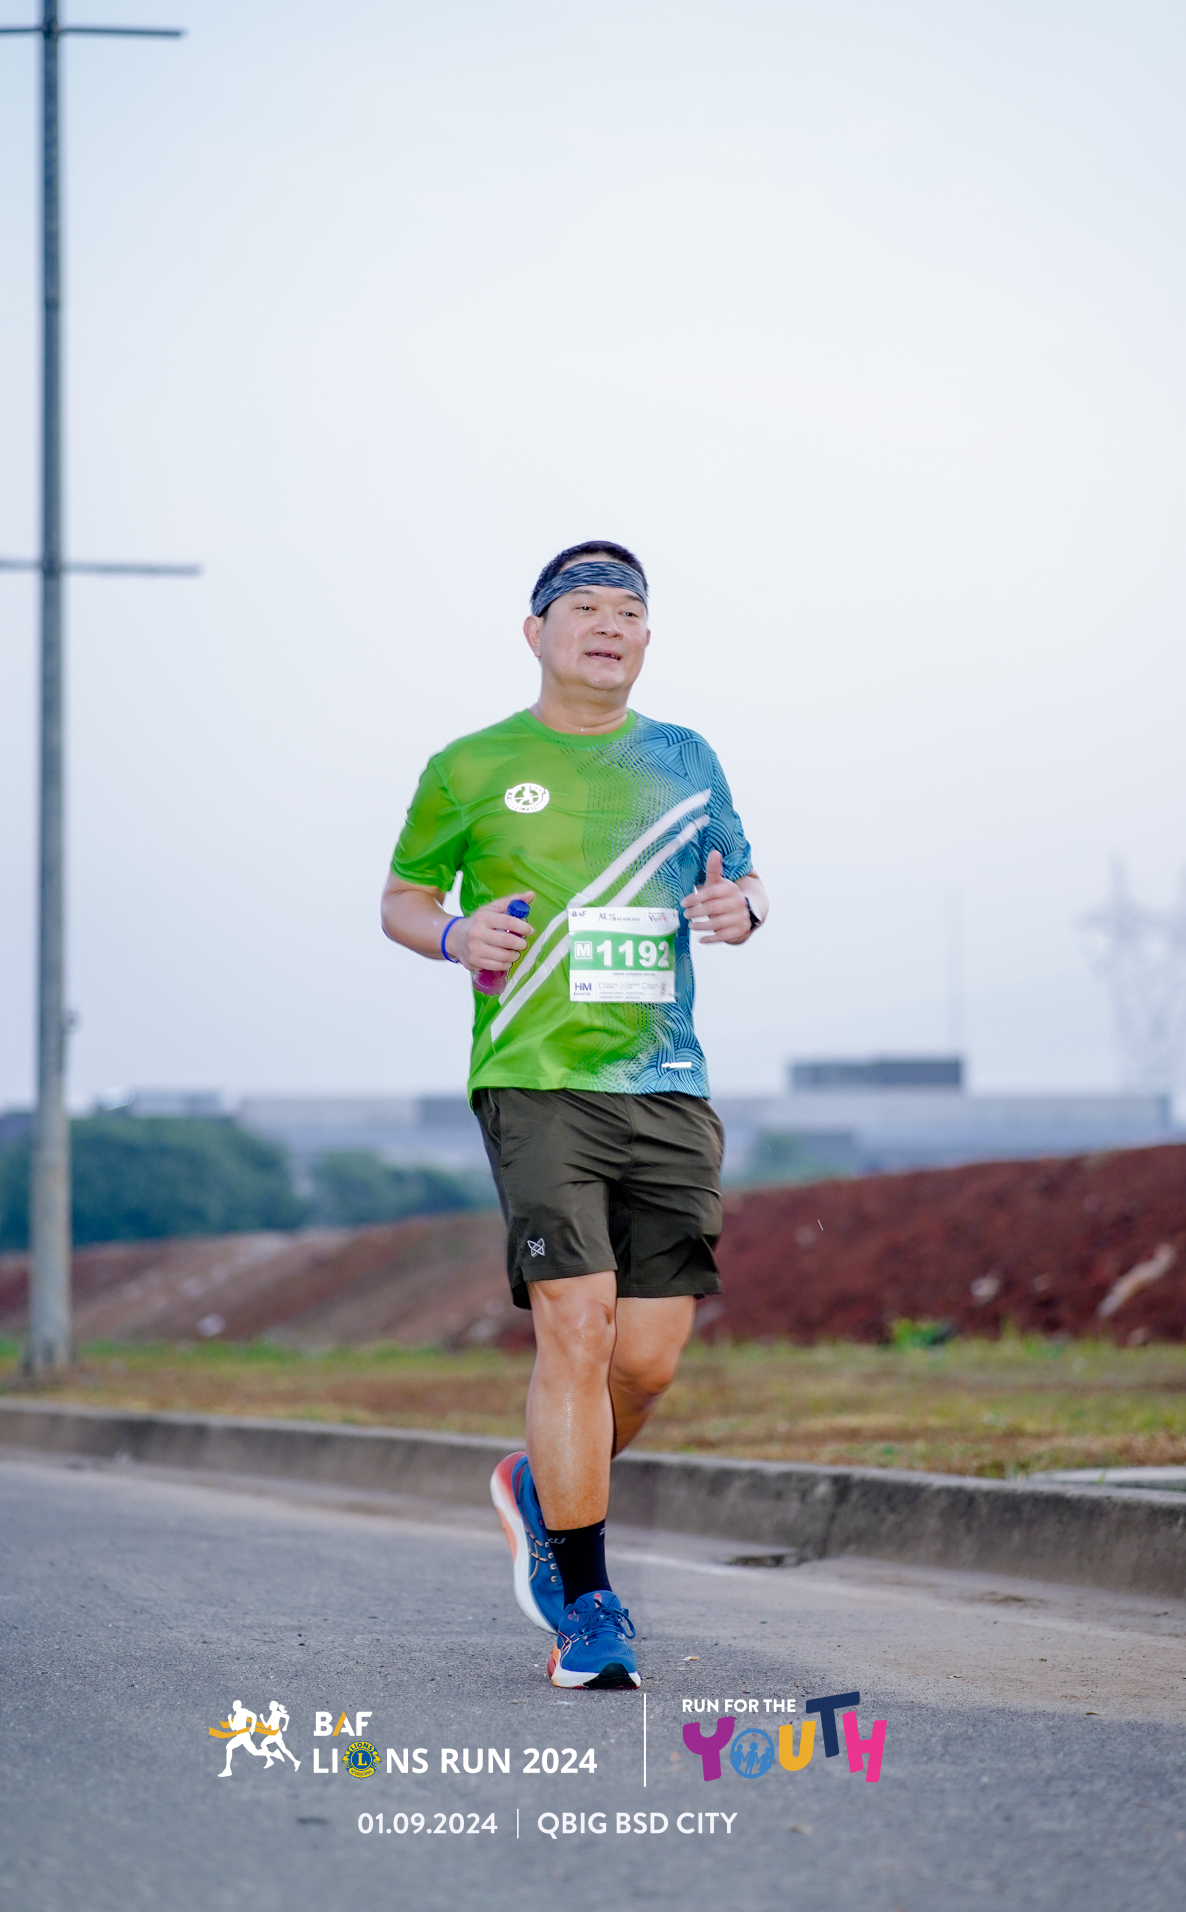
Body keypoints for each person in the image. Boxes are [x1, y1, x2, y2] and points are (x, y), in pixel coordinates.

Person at [382, 540, 767, 1689]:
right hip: (536, 1075)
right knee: (577, 1324)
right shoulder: (470, 766)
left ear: (646, 637)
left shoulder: (683, 758)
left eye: (628, 611)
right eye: (584, 608)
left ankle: (536, 1487)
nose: (608, 626)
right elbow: (402, 898)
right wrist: (453, 934)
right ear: (535, 633)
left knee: (644, 1361)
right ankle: (586, 1605)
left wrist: (742, 909)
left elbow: (741, 878)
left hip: (665, 1081)